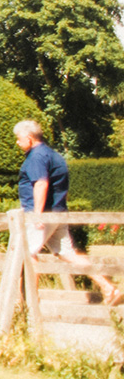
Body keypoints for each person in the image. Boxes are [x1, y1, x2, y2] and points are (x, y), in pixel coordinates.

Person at [15, 119, 119, 305]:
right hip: (57, 213)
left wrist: (37, 215)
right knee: (67, 254)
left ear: (29, 138)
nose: (17, 142)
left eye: (19, 138)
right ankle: (108, 287)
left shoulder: (36, 157)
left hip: (41, 215)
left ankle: (29, 302)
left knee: (28, 253)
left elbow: (41, 184)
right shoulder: (53, 154)